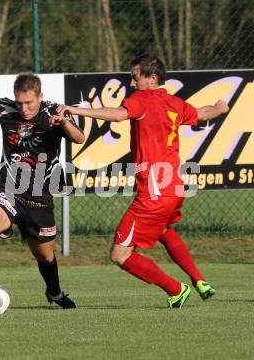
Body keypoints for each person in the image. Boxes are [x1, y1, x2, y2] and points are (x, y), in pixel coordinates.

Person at [58, 55, 229, 308]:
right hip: (175, 188)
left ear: (153, 78)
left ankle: (175, 289)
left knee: (119, 254)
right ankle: (199, 280)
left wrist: (75, 109)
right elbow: (204, 113)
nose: (132, 82)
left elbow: (117, 116)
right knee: (162, 230)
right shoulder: (174, 103)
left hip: (153, 194)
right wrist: (221, 106)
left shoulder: (142, 100)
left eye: (135, 77)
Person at [0, 72, 85, 309]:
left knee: (45, 255)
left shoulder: (54, 112)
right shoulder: (4, 109)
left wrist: (64, 124)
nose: (24, 108)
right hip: (8, 190)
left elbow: (79, 138)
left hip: (40, 197)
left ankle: (55, 292)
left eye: (29, 102)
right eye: (19, 102)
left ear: (40, 96)